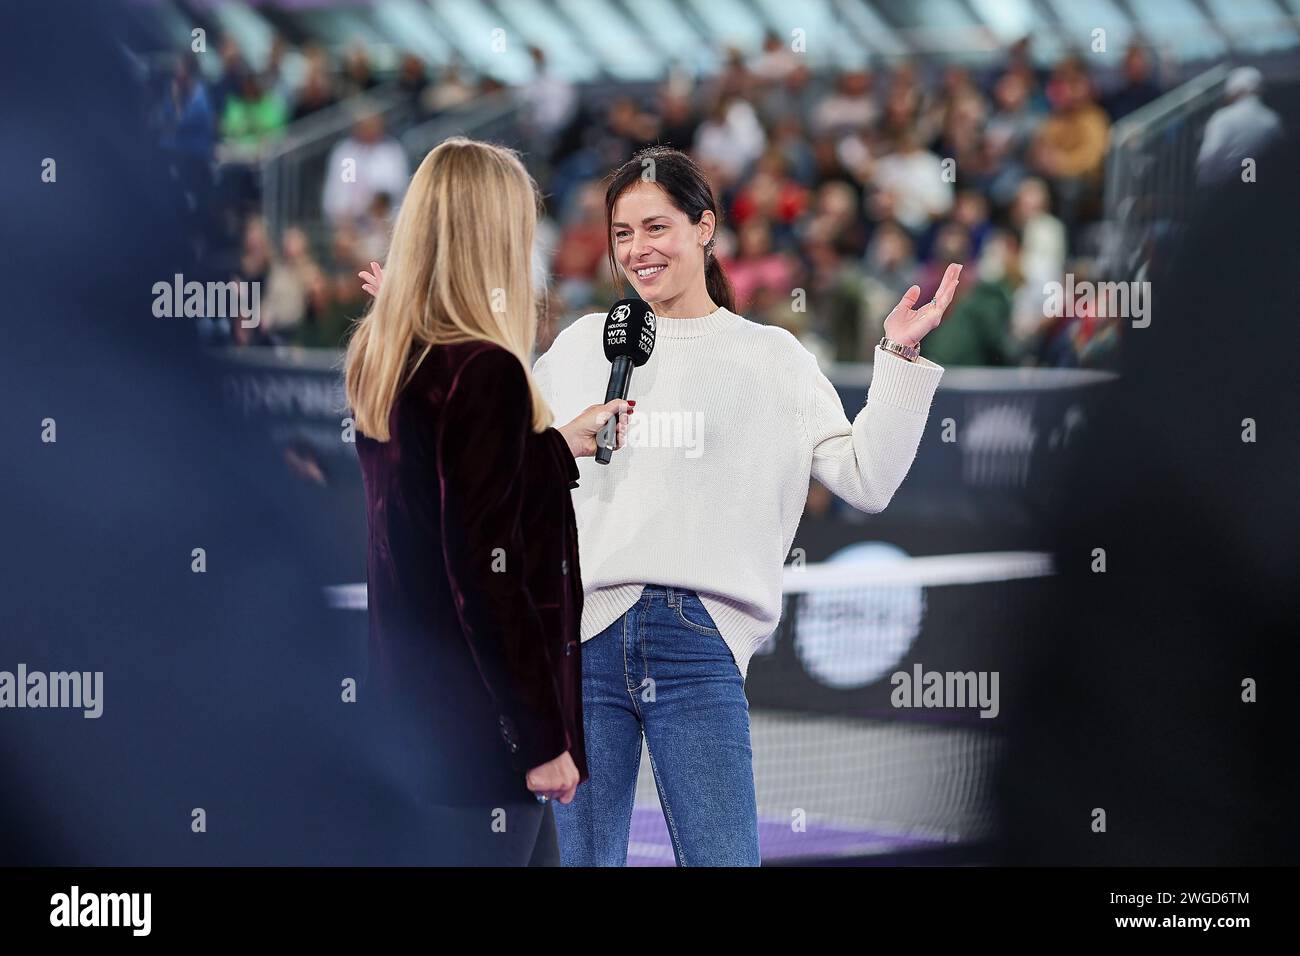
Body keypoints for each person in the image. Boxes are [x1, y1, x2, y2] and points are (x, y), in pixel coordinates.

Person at [361, 147, 961, 866]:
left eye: (656, 227)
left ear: (706, 228)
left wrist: (898, 359)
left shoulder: (774, 358)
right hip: (576, 643)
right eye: (622, 233)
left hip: (698, 645)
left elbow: (866, 479)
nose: (638, 250)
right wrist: (426, 323)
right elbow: (489, 466)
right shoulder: (582, 344)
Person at [345, 138, 628, 865]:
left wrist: (552, 447)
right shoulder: (484, 370)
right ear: (496, 238)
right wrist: (540, 737)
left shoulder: (387, 355)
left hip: (413, 721)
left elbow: (442, 501)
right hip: (479, 738)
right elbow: (484, 575)